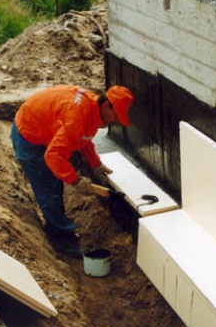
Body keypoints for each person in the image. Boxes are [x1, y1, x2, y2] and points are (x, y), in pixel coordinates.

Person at [10, 84, 134, 258]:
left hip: (40, 125)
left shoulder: (91, 107)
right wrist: (75, 180)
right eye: (116, 115)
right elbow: (53, 155)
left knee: (55, 181)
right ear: (106, 105)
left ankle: (59, 227)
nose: (115, 121)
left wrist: (95, 163)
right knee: (49, 187)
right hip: (29, 136)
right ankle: (60, 237)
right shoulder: (77, 116)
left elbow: (84, 139)